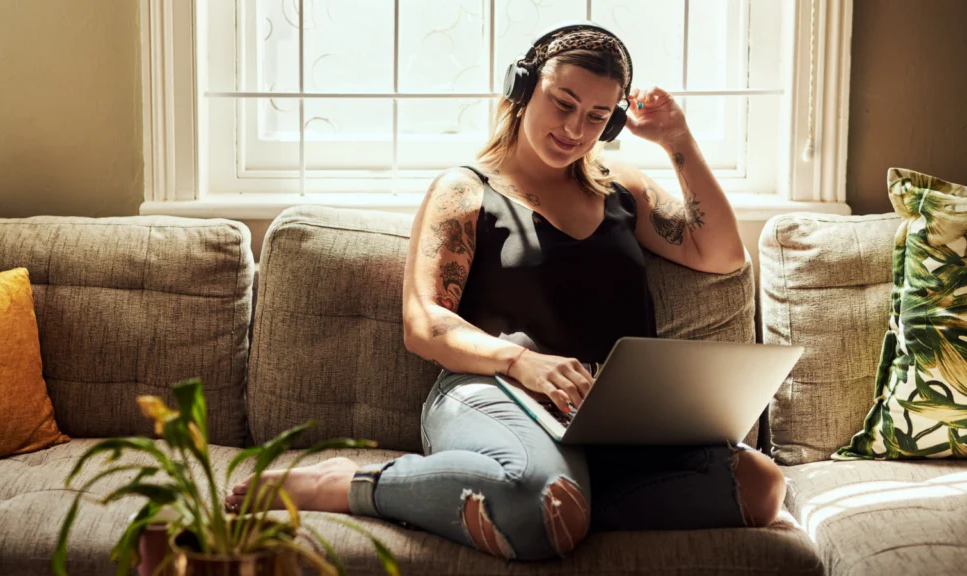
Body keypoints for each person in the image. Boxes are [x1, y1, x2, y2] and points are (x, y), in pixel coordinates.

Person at [226, 22, 786, 561]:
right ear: (521, 88)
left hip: (609, 417)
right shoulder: (465, 191)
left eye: (595, 117)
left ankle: (565, 505)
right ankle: (349, 484)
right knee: (541, 503)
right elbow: (424, 323)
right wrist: (522, 362)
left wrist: (676, 139)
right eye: (563, 103)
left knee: (760, 486)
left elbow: (721, 255)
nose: (574, 129)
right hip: (491, 390)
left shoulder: (622, 188)